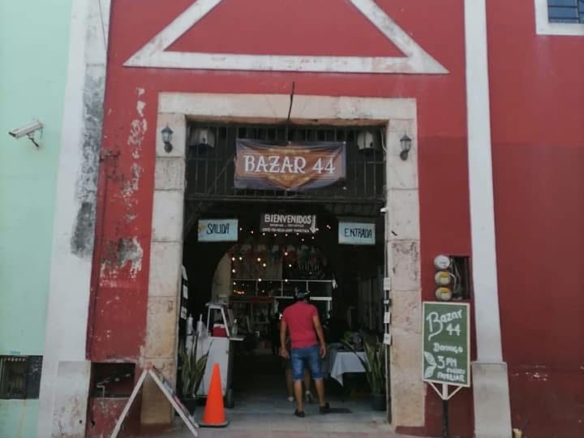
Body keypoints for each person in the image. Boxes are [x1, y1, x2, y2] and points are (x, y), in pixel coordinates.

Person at [280, 290, 330, 417]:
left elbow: (283, 331)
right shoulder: (312, 308)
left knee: (297, 377)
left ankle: (300, 409)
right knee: (317, 375)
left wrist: (283, 347)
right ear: (306, 299)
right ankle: (322, 405)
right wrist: (322, 343)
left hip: (296, 347)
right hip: (312, 345)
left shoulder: (287, 311)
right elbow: (318, 326)